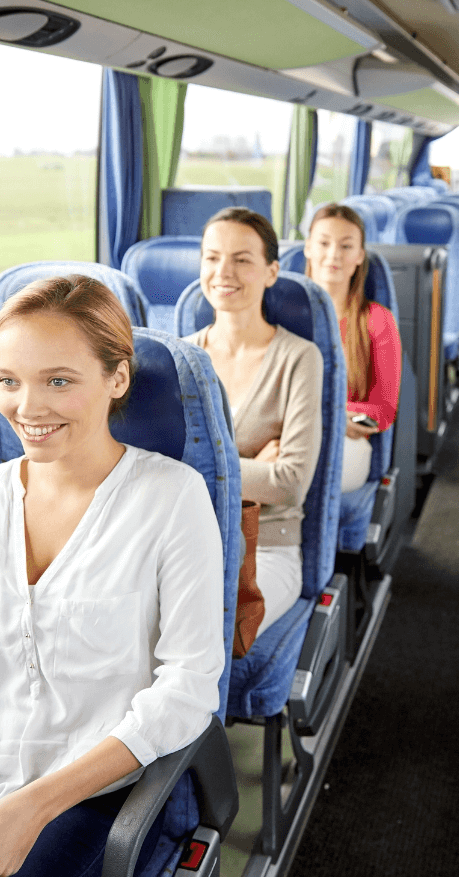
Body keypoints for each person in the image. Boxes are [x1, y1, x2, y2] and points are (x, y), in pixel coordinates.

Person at [0, 276, 225, 876]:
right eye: (9, 381)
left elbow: (188, 687)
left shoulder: (172, 499)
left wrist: (33, 809)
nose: (27, 409)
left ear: (118, 378)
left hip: (97, 797)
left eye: (58, 380)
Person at [184, 207, 323, 636]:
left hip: (267, 548)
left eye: (242, 259)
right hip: (185, 540)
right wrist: (252, 468)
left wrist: (198, 468)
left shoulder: (299, 358)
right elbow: (151, 471)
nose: (223, 272)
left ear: (271, 271)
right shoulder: (182, 358)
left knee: (200, 631)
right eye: (212, 257)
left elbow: (288, 483)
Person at [305, 203, 402, 493]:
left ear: (359, 256)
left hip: (347, 442)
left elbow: (383, 409)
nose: (333, 254)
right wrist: (327, 413)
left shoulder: (377, 321)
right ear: (308, 248)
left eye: (346, 246)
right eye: (324, 243)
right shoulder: (278, 314)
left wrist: (332, 418)